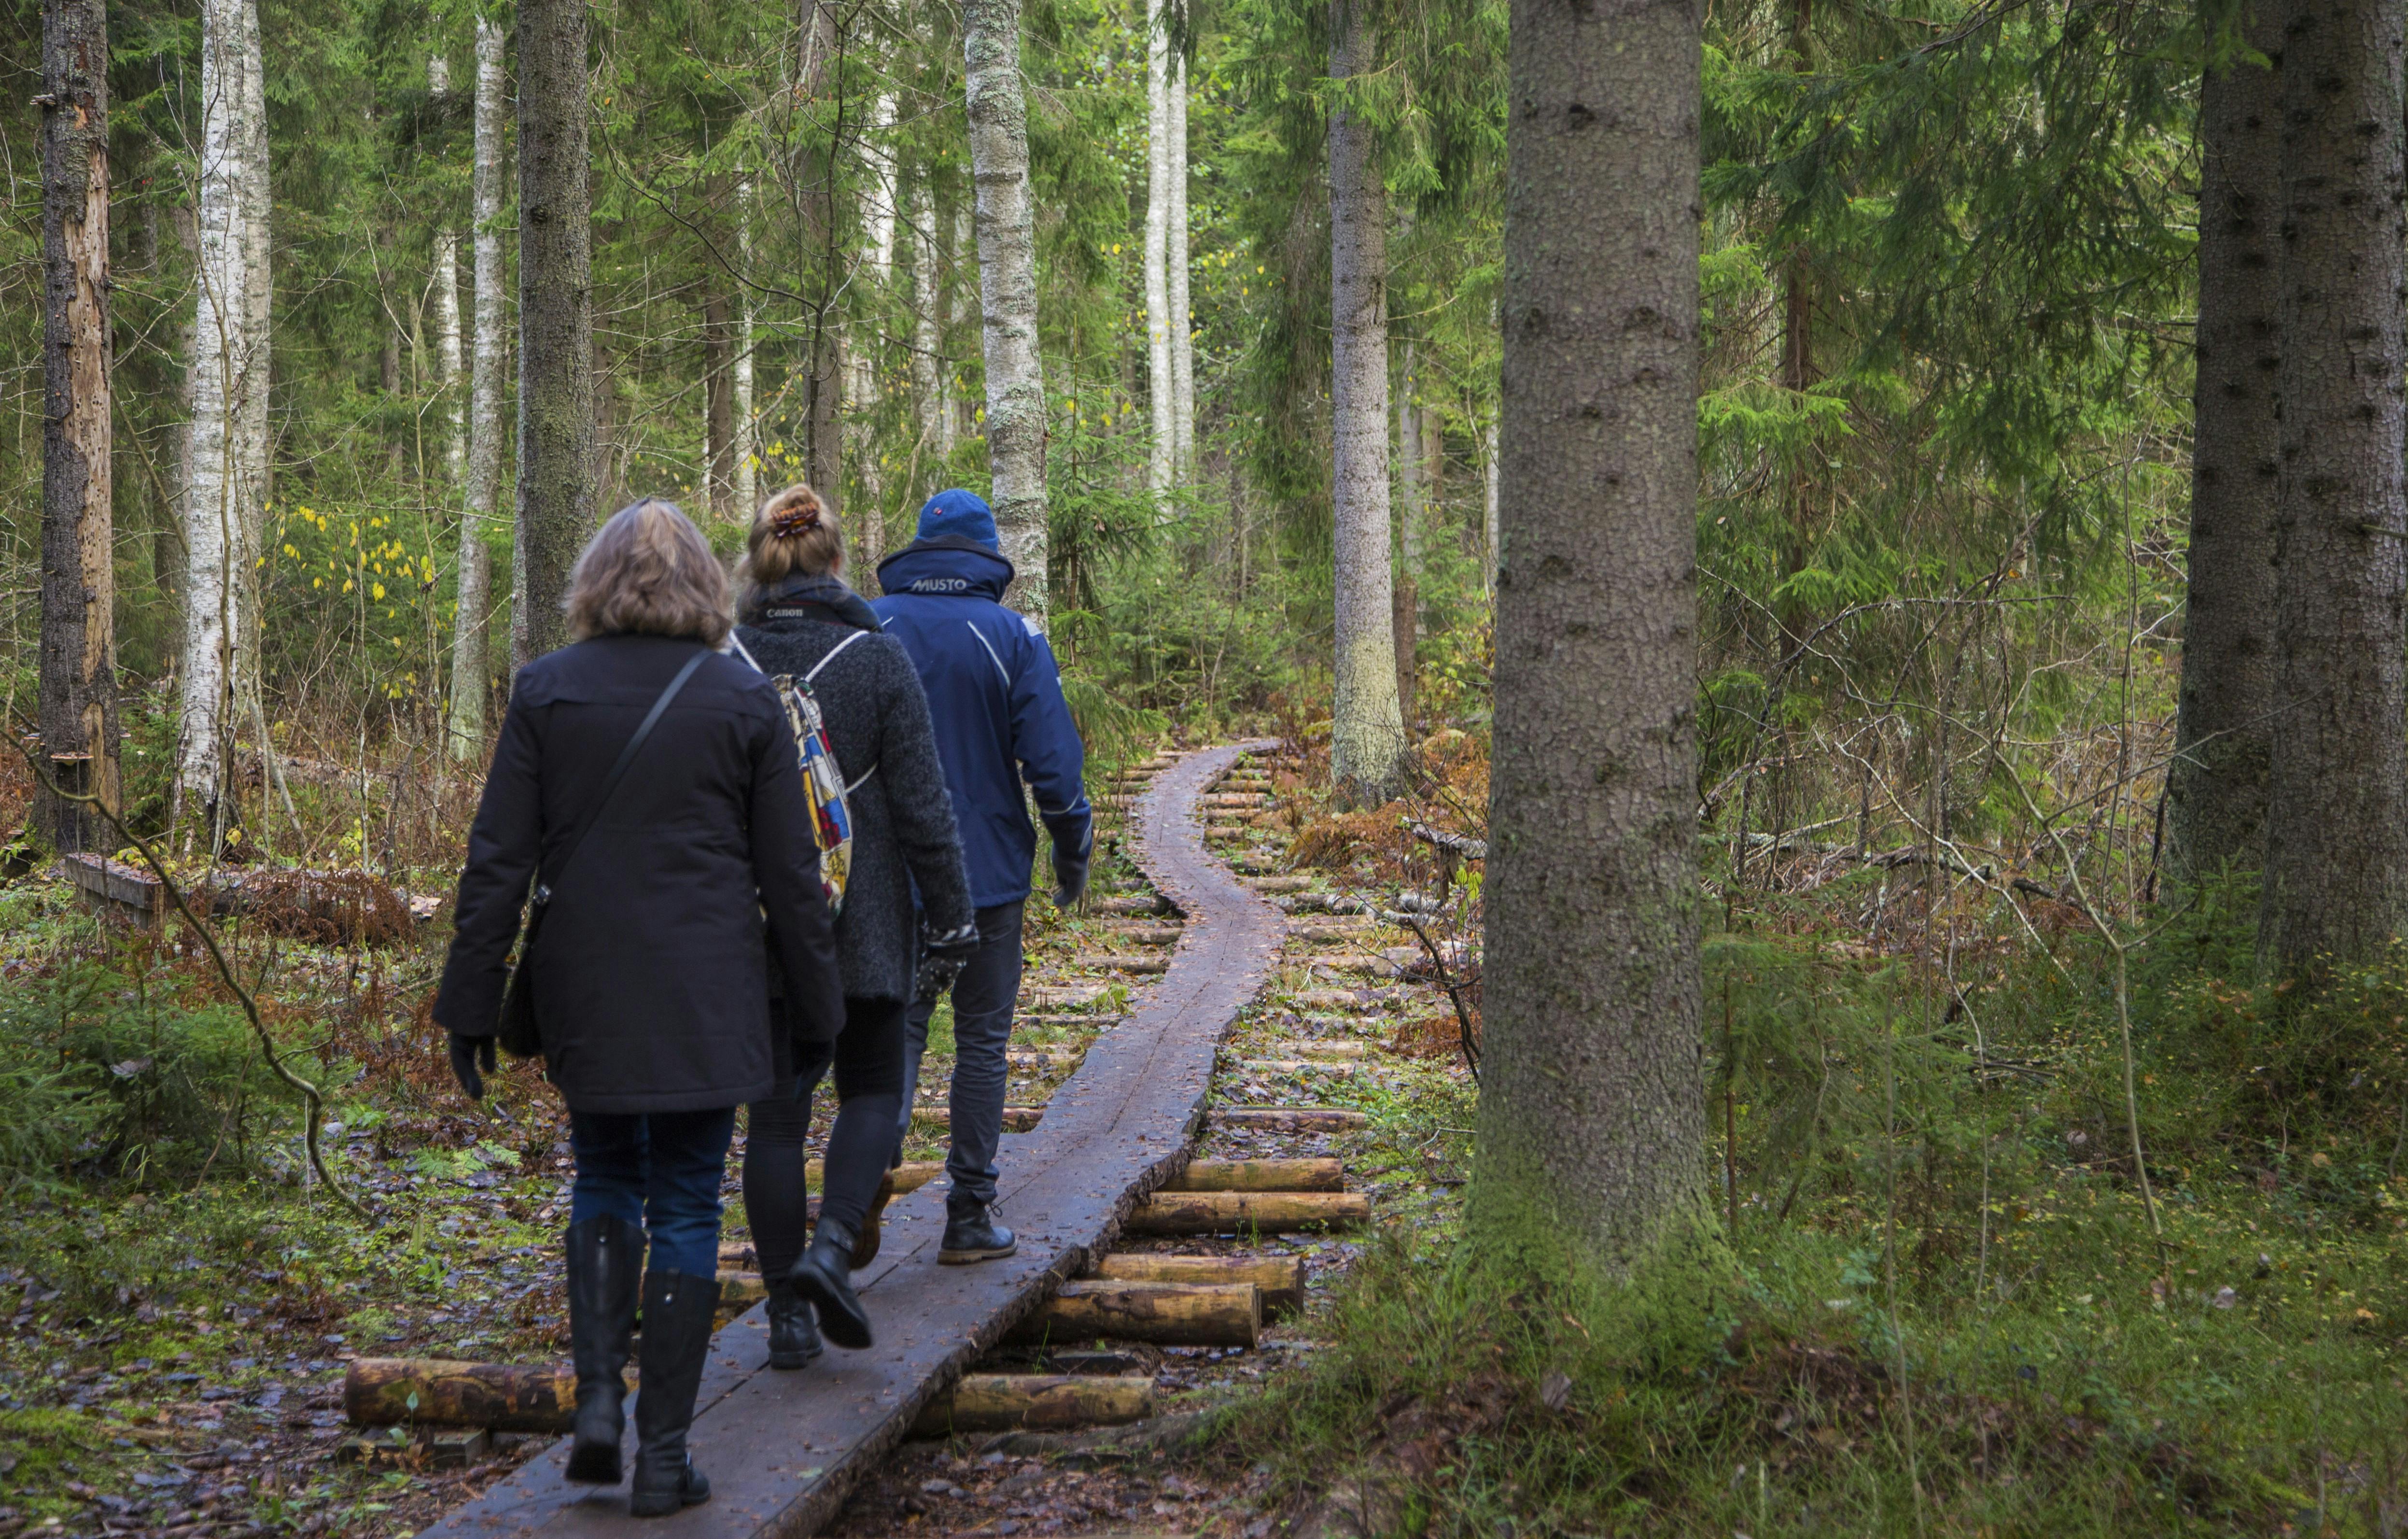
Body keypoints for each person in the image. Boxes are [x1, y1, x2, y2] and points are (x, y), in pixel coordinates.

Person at [433, 499, 843, 1519]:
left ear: (597, 584)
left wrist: (470, 1003)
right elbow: (791, 876)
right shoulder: (743, 702)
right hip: (710, 988)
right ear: (707, 585)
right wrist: (821, 1009)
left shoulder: (547, 690)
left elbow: (498, 863)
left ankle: (599, 1413)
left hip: (589, 985)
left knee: (607, 1174)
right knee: (690, 1201)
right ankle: (663, 1456)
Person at [727, 484, 977, 1364]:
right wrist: (951, 921)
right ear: (837, 559)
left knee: (777, 1121)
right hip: (865, 920)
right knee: (872, 1091)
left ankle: (789, 1317)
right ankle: (834, 1250)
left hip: (761, 927)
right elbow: (923, 808)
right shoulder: (879, 659)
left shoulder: (725, 663)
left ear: (758, 564)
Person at [871, 489, 1093, 1264]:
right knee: (981, 1042)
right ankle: (968, 1215)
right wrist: (1072, 851)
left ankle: (865, 1174)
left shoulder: (873, 626)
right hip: (990, 875)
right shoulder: (1010, 635)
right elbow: (1054, 767)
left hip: (888, 877)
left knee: (895, 1027)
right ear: (985, 556)